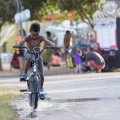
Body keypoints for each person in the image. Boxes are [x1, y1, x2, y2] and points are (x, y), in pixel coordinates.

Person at [15, 22, 57, 100]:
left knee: (41, 74)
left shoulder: (41, 37)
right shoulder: (27, 37)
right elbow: (21, 41)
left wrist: (52, 44)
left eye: (36, 35)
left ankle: (40, 90)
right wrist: (18, 44)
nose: (34, 37)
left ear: (39, 33)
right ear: (30, 32)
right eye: (33, 35)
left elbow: (48, 42)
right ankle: (24, 74)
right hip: (29, 53)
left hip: (38, 54)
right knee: (29, 58)